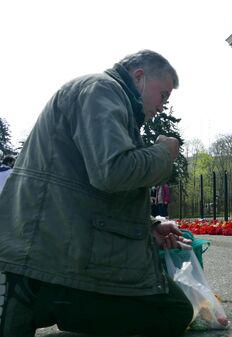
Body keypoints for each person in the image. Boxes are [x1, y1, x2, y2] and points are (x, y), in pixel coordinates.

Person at [0, 50, 194, 337]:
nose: (163, 106)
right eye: (163, 95)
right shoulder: (101, 90)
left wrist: (149, 226)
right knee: (172, 311)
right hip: (54, 251)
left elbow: (93, 190)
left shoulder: (110, 99)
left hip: (62, 244)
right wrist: (164, 153)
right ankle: (38, 295)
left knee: (174, 309)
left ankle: (42, 297)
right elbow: (112, 171)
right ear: (139, 76)